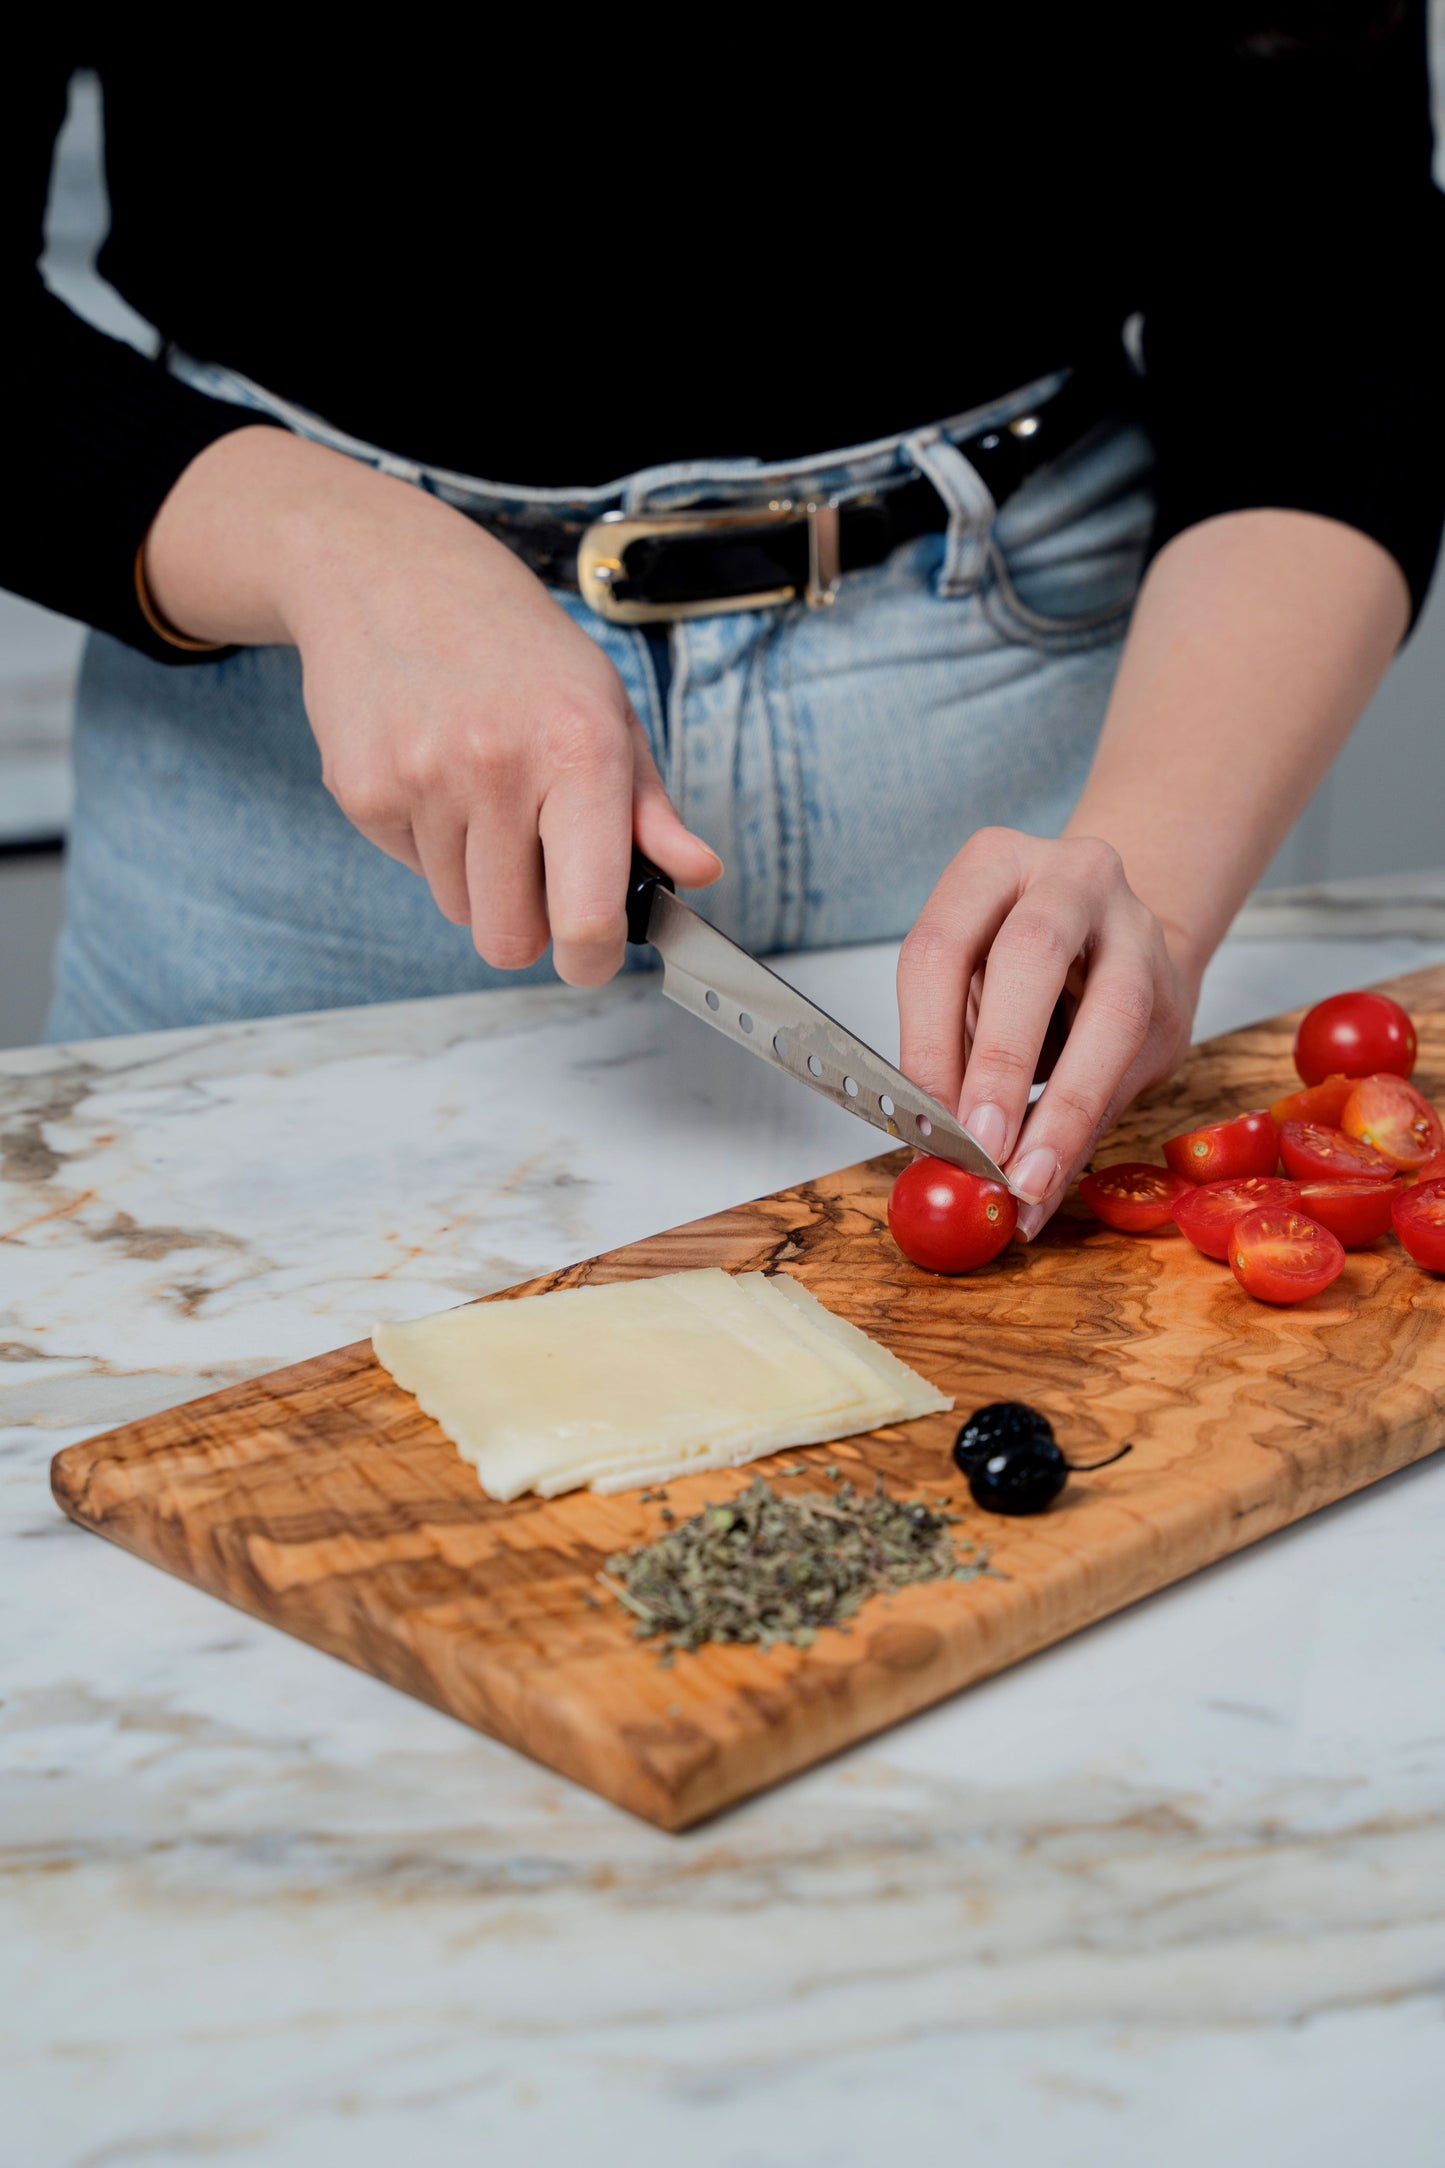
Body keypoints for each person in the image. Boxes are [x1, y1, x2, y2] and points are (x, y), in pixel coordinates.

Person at [5, 12, 1441, 1237]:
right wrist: (324, 546)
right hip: (312, 744)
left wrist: (1151, 880)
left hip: (1038, 718)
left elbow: (1332, 279)